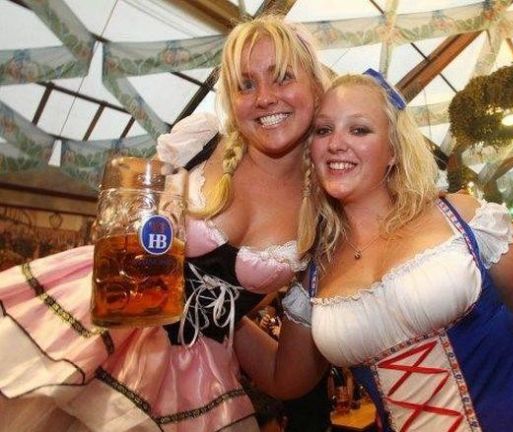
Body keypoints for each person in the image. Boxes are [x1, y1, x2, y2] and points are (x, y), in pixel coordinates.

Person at [0, 15, 329, 432]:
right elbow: (127, 229)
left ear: (316, 85)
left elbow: (286, 379)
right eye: (246, 84)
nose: (264, 97)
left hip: (192, 376)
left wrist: (227, 319)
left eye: (282, 77)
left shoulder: (325, 211)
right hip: (104, 322)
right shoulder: (200, 143)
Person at [247, 72, 513, 431]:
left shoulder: (462, 217)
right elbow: (285, 379)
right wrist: (221, 312)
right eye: (323, 130)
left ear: (393, 150)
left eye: (359, 129)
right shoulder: (313, 272)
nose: (335, 143)